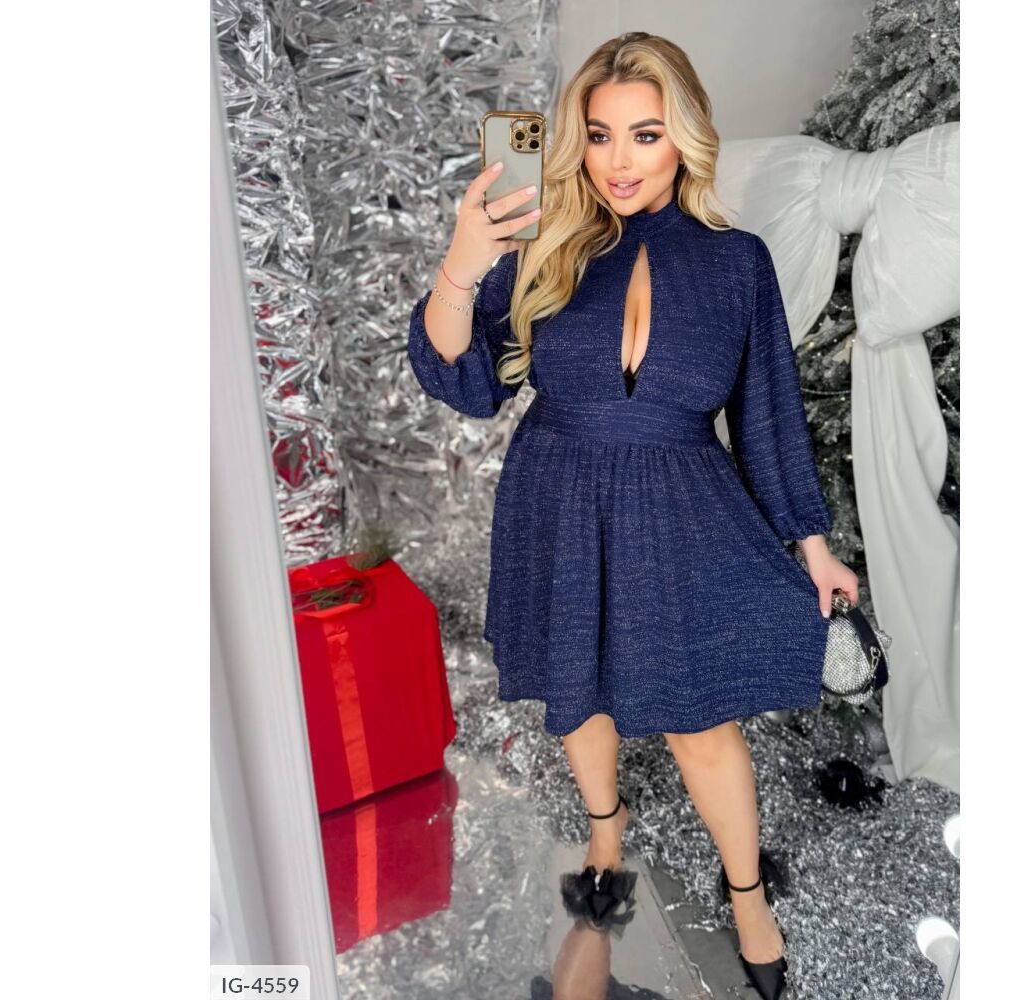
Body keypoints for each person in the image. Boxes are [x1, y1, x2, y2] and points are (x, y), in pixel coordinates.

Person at [407, 31, 859, 1000]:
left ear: (682, 138)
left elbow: (768, 415)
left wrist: (812, 547)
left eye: (644, 134)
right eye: (599, 134)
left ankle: (746, 895)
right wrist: (462, 262)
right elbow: (464, 380)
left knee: (702, 723)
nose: (617, 160)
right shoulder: (543, 248)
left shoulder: (735, 263)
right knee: (584, 693)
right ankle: (604, 833)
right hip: (557, 497)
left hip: (680, 507)